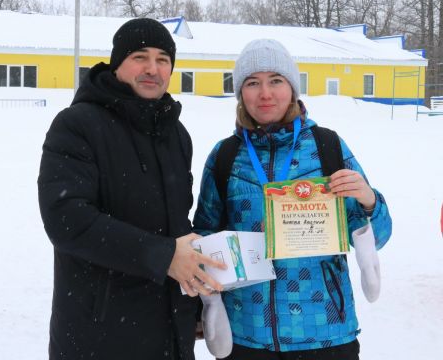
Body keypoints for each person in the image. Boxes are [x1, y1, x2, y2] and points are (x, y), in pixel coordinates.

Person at [38, 18, 226, 360]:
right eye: (140, 56)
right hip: (99, 336)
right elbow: (67, 220)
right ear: (117, 63)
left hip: (169, 333)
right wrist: (163, 256)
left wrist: (195, 298)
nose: (152, 68)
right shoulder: (77, 125)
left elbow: (175, 225)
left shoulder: (176, 135)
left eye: (163, 59)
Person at [193, 38, 392, 359]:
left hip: (326, 333)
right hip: (246, 334)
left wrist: (369, 200)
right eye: (253, 83)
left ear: (292, 88)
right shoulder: (226, 155)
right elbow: (204, 231)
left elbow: (378, 237)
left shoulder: (328, 146)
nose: (265, 93)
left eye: (276, 81)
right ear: (241, 92)